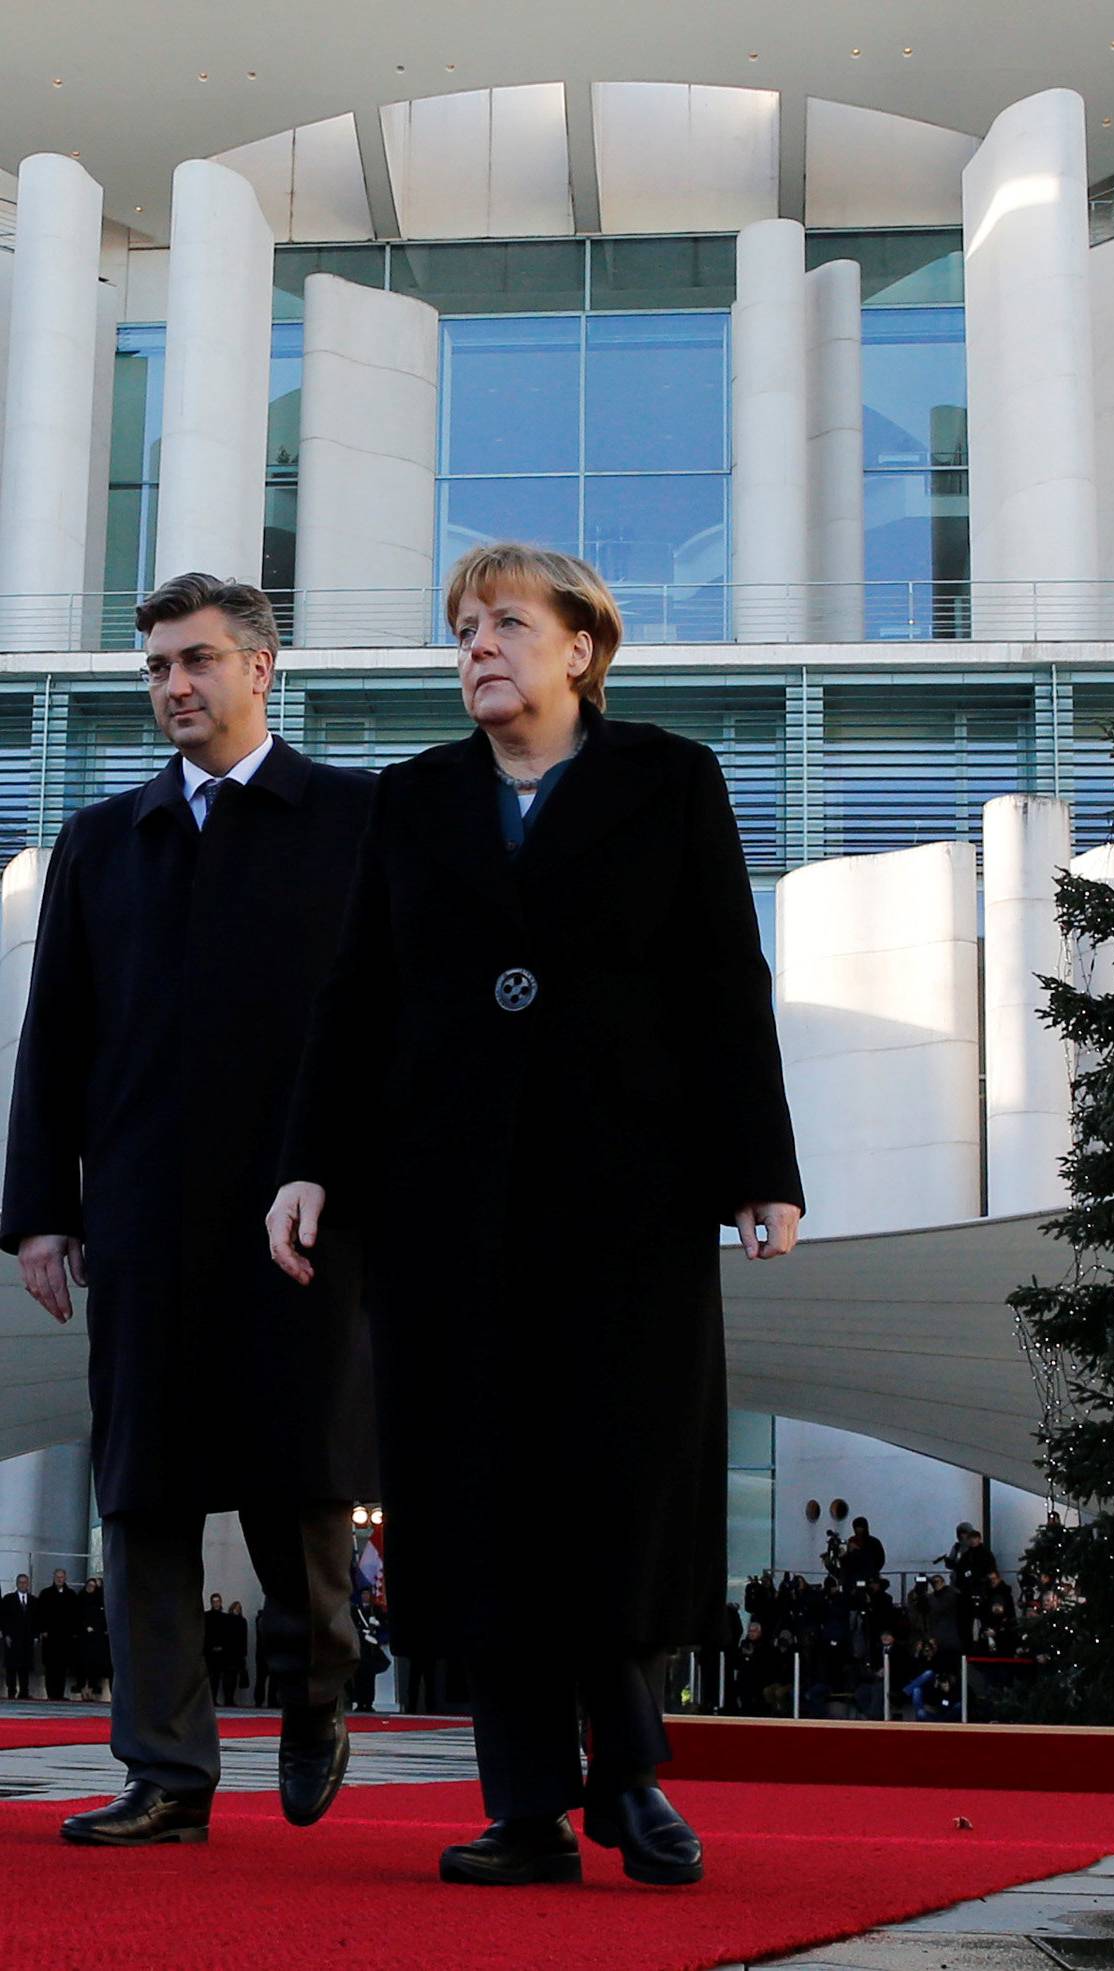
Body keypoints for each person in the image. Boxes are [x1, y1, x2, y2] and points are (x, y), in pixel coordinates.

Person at [268, 543, 804, 1891]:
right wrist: (309, 1162)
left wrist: (762, 1165)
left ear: (584, 648)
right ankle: (528, 1807)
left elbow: (723, 983)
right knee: (476, 1493)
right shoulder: (412, 801)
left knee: (613, 1486)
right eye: (462, 629)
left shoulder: (670, 780)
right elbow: (355, 998)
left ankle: (624, 1774)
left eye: (509, 622)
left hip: (629, 1196)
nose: (480, 647)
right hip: (446, 1203)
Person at [0, 572, 379, 1846]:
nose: (174, 685)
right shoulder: (106, 841)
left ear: (263, 668)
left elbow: (393, 1029)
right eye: (157, 665)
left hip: (303, 1215)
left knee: (304, 1482)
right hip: (146, 1221)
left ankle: (321, 1687)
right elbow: (55, 1037)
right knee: (143, 1494)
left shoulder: (353, 821)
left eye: (198, 660)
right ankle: (166, 1770)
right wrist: (41, 1211)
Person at [36, 1570, 81, 1700]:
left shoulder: (71, 1595)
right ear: (54, 1578)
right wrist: (42, 1630)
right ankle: (51, 1694)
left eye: (62, 1577)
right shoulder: (45, 1594)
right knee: (50, 1668)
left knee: (62, 1668)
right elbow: (40, 1614)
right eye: (57, 1577)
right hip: (50, 1637)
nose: (60, 1579)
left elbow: (75, 1616)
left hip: (65, 1638)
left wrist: (73, 1633)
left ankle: (59, 1694)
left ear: (65, 1578)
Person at [1, 1574, 35, 1698]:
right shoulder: (8, 1599)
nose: (23, 1585)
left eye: (25, 1582)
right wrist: (6, 1635)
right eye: (20, 1582)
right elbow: (3, 1619)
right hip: (13, 1638)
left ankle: (24, 1692)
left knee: (25, 1667)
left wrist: (35, 1636)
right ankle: (11, 1691)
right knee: (11, 1666)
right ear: (17, 1584)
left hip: (27, 1639)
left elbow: (36, 1620)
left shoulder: (33, 1600)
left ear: (28, 1584)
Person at [78, 1577, 111, 1701]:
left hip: (96, 1639)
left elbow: (102, 1618)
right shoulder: (80, 1598)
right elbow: (77, 1616)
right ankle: (82, 1689)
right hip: (83, 1638)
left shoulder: (99, 1601)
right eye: (89, 1586)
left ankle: (91, 1689)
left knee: (94, 1665)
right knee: (82, 1664)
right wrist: (85, 1627)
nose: (91, 1588)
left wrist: (96, 1628)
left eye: (94, 1586)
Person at [841, 1517, 887, 1589]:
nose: (858, 1530)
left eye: (860, 1527)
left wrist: (858, 1550)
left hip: (869, 1577)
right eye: (856, 1527)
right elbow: (847, 1561)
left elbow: (878, 1560)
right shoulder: (851, 1540)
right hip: (852, 1577)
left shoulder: (873, 1542)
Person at [201, 1594, 229, 1706]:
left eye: (217, 1601)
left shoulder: (225, 1618)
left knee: (217, 1677)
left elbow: (226, 1635)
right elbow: (206, 1634)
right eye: (214, 1601)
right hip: (210, 1651)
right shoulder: (207, 1616)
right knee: (210, 1677)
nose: (216, 1603)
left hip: (221, 1652)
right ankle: (210, 1699)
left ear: (220, 1602)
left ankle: (214, 1698)